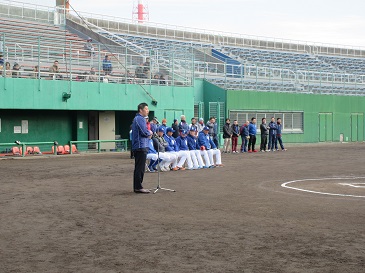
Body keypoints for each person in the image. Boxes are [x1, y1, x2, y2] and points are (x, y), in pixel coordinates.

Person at [131, 102, 152, 194]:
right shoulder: (139, 119)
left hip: (142, 146)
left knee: (139, 167)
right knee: (140, 168)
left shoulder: (140, 119)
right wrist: (149, 133)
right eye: (146, 109)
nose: (148, 111)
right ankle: (138, 187)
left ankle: (138, 186)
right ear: (141, 110)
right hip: (140, 146)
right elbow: (144, 132)